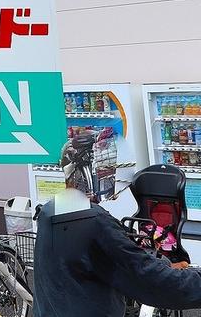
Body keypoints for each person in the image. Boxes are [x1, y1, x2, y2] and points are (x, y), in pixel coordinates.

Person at [34, 134, 201, 316]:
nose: (112, 178)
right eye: (106, 171)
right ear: (89, 173)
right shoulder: (93, 221)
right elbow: (148, 279)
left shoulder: (50, 210)